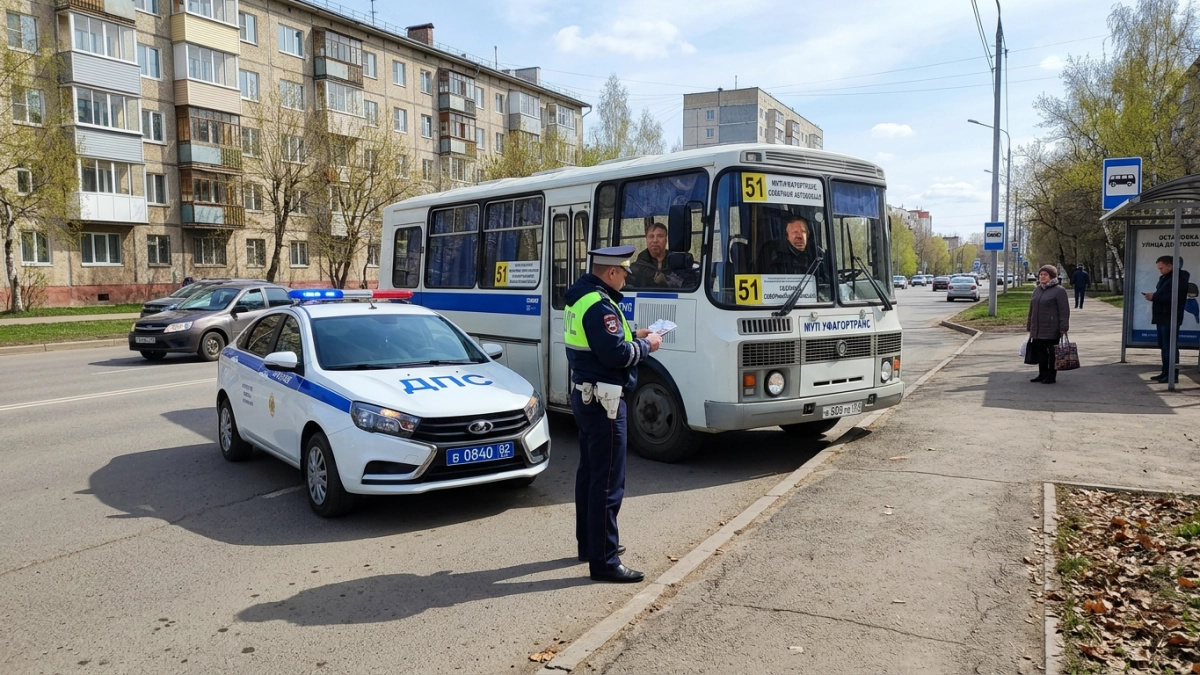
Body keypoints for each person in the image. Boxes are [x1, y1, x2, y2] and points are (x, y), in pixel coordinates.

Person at [563, 246, 663, 583]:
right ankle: (604, 562)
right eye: (623, 274)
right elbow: (616, 355)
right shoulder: (600, 305)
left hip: (587, 396)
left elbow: (602, 343)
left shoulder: (583, 298)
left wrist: (636, 335)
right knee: (608, 482)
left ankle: (589, 545)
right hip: (605, 402)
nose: (625, 279)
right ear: (610, 273)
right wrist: (647, 346)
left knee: (590, 475)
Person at [1143, 255, 1191, 383]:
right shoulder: (1165, 277)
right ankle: (1165, 372)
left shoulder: (1179, 279)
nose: (1160, 270)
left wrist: (1155, 297)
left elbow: (1175, 298)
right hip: (1162, 316)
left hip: (1170, 316)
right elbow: (1163, 293)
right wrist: (1154, 295)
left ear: (1170, 266)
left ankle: (1172, 374)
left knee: (1169, 346)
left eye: (1161, 268)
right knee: (1164, 346)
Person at [1026, 264, 1070, 384]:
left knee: (1052, 354)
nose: (1042, 277)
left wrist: (1063, 327)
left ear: (1052, 276)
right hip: (1038, 328)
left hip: (1052, 329)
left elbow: (1064, 310)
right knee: (1041, 353)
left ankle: (1051, 376)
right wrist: (1029, 324)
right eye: (1041, 274)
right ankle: (1042, 374)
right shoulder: (1037, 290)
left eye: (1045, 275)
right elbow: (1032, 309)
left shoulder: (1059, 291)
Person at [629, 222, 687, 288]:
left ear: (666, 240)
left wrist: (666, 282)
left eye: (660, 236)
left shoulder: (677, 263)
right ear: (646, 240)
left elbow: (687, 284)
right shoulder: (637, 267)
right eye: (651, 236)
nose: (655, 240)